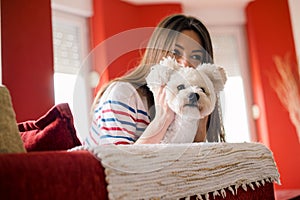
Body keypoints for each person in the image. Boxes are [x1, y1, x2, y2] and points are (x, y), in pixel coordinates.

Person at [84, 13, 225, 146]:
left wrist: (199, 127)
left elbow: (188, 168)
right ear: (158, 52)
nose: (185, 63)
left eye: (196, 57)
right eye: (175, 52)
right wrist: (162, 119)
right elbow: (118, 165)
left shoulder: (188, 101)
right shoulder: (124, 94)